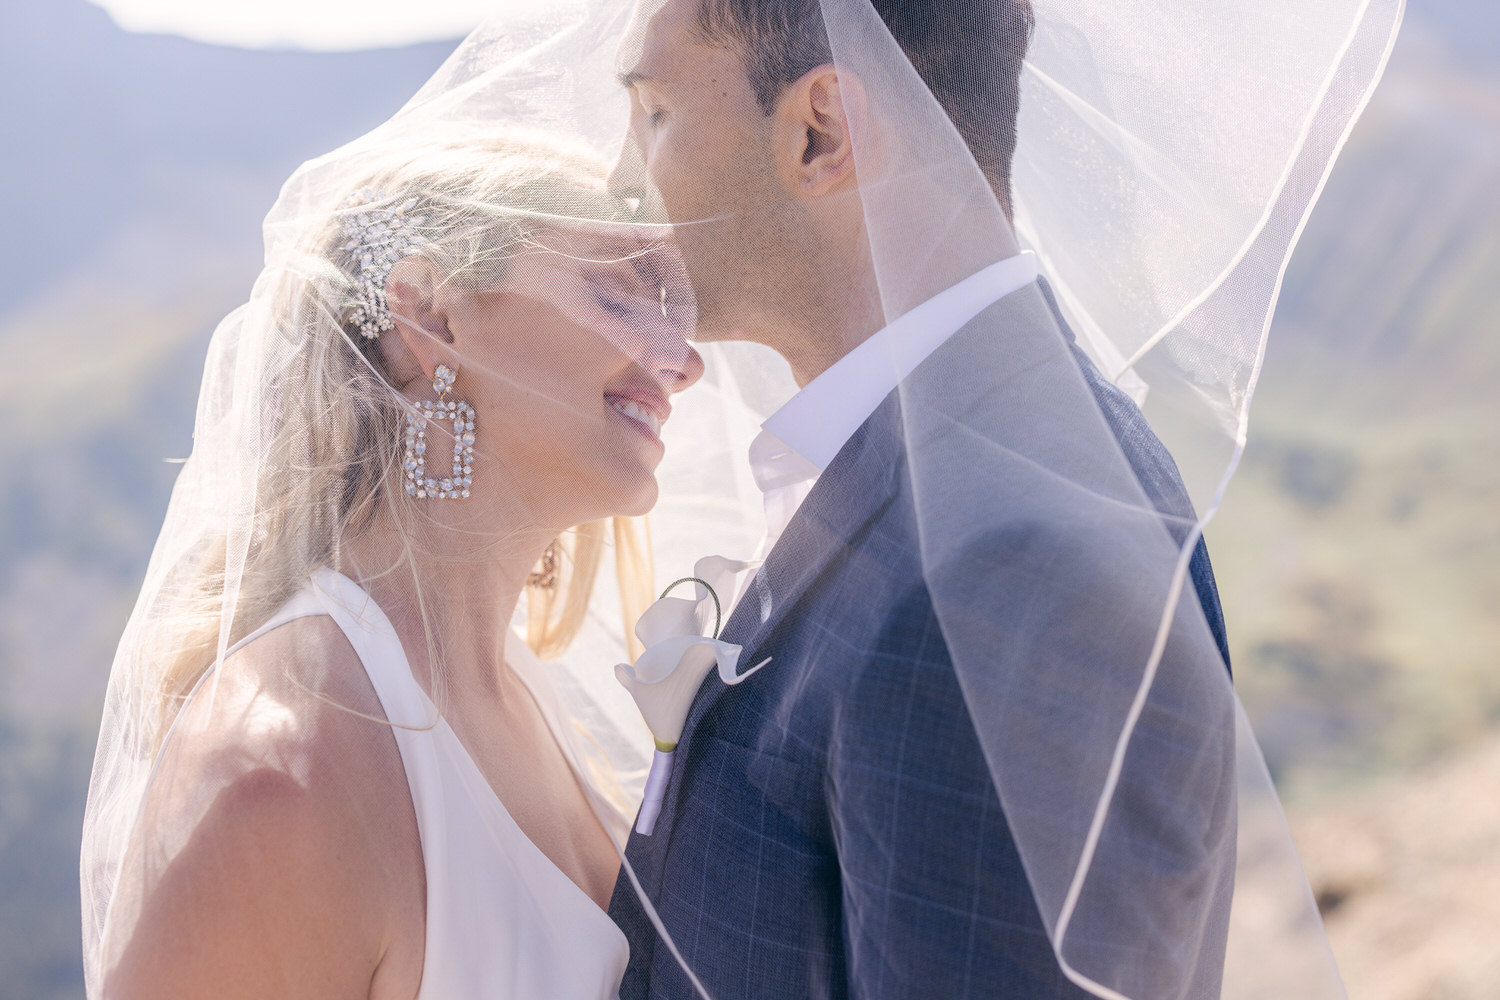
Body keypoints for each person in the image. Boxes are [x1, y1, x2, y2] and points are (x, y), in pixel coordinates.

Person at [80, 130, 704, 999]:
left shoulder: (522, 693)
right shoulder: (276, 780)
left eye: (679, 306)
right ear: (431, 316)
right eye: (620, 293)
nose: (688, 359)